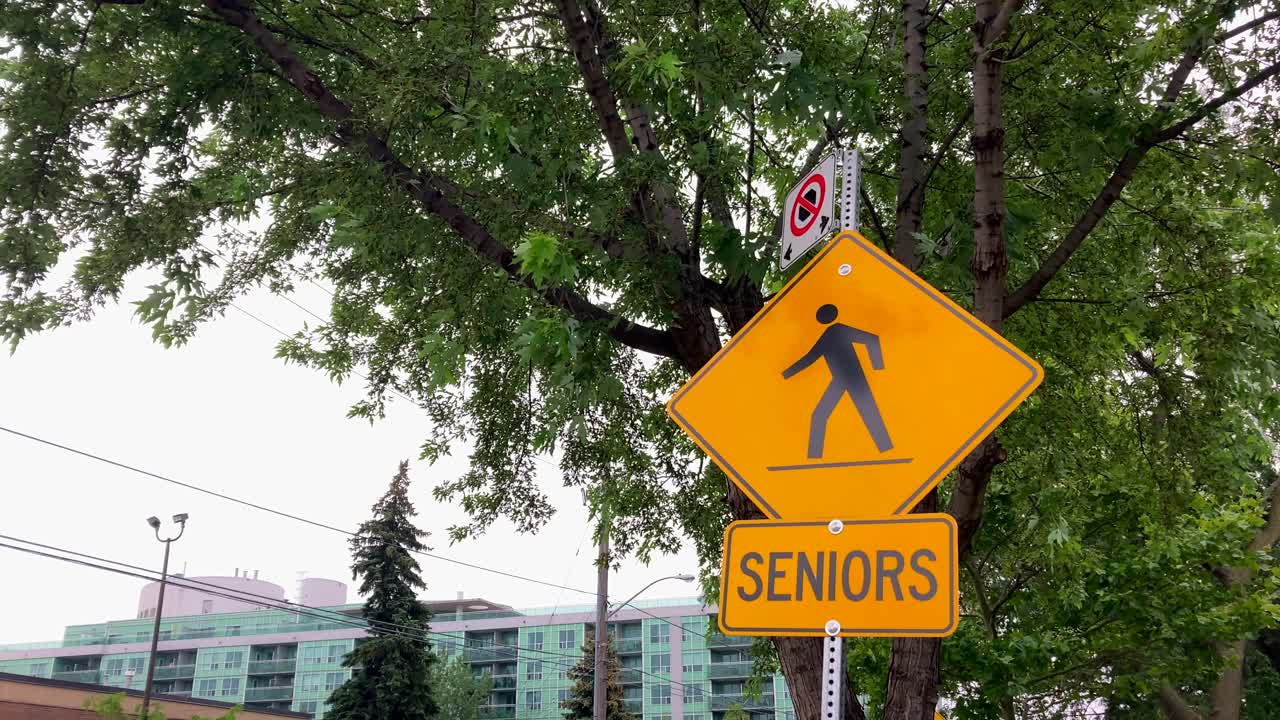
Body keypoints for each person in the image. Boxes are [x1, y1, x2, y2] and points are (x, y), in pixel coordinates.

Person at [781, 303, 893, 458]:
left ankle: (887, 450)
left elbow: (872, 339)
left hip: (854, 378)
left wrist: (878, 367)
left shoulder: (838, 330)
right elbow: (811, 357)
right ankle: (814, 457)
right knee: (821, 415)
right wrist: (786, 374)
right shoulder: (830, 334)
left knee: (868, 413)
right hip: (841, 379)